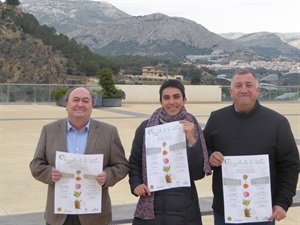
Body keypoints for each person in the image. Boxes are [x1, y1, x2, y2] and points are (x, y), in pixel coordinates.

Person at [203, 68, 299, 225]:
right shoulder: (216, 119)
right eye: (238, 86)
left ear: (257, 90)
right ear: (231, 91)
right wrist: (209, 156)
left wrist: (283, 202)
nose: (244, 90)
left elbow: (290, 166)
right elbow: (202, 150)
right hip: (225, 212)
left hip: (262, 213)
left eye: (249, 85)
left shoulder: (277, 123)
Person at [30, 86, 130, 225]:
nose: (80, 104)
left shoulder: (109, 132)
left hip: (95, 216)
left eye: (85, 100)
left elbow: (122, 165)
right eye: (75, 100)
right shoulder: (49, 130)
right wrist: (49, 173)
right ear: (67, 104)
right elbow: (36, 164)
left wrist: (107, 176)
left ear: (92, 105)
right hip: (59, 215)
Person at [128, 79, 211, 225]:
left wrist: (192, 140)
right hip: (151, 206)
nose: (171, 102)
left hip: (184, 207)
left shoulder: (192, 127)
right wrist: (136, 184)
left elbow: (198, 173)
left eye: (176, 97)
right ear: (161, 101)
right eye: (166, 97)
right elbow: (135, 161)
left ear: (184, 100)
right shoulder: (146, 128)